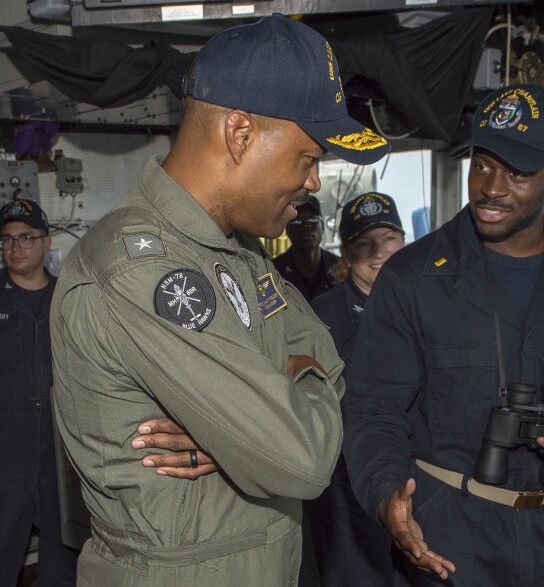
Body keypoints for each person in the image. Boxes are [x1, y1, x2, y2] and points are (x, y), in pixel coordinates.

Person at [50, 14, 389, 586]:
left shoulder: (239, 248)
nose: (312, 184)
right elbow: (301, 459)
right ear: (240, 134)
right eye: (308, 158)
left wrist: (245, 426)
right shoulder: (139, 269)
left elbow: (324, 354)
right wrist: (267, 421)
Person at [342, 83, 544, 586]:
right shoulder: (414, 277)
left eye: (517, 173)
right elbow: (373, 407)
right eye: (482, 166)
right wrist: (387, 494)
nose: (492, 189)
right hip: (446, 530)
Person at [307, 192, 406, 586]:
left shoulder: (425, 304)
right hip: (347, 481)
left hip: (416, 473)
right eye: (363, 242)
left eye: (387, 238)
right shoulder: (323, 314)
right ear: (345, 253)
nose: (377, 252)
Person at [0, 199, 78, 587]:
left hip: (61, 456)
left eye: (26, 237)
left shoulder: (69, 302)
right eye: (8, 239)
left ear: (46, 243)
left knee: (63, 560)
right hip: (6, 457)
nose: (16, 247)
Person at [273, 194, 340, 301]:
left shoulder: (340, 267)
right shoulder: (274, 271)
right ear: (287, 230)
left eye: (311, 219)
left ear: (322, 226)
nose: (305, 225)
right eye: (297, 220)